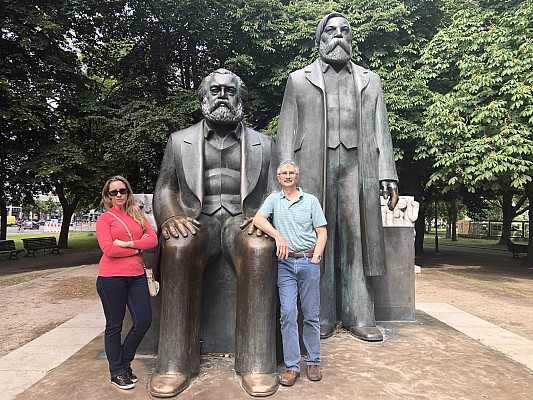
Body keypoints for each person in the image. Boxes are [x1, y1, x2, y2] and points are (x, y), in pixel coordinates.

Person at [150, 68, 279, 398]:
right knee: (178, 247)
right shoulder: (179, 141)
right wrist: (170, 218)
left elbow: (272, 191)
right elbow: (165, 188)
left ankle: (256, 363)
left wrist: (263, 219)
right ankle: (175, 364)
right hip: (199, 221)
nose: (223, 95)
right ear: (204, 97)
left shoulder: (264, 144)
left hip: (242, 221)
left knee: (260, 249)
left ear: (241, 98)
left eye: (230, 90)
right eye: (216, 90)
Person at [276, 12, 399, 342]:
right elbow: (286, 132)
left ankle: (360, 315)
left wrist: (388, 172)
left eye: (345, 31)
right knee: (319, 239)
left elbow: (381, 129)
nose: (338, 36)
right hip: (315, 166)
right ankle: (323, 315)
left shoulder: (370, 80)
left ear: (351, 39)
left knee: (358, 241)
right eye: (330, 31)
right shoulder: (298, 80)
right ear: (319, 41)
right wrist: (283, 179)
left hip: (359, 167)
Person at [253, 161, 327, 386]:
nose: (287, 176)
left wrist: (317, 258)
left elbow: (321, 232)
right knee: (287, 314)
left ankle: (313, 361)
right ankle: (292, 366)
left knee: (311, 315)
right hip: (285, 264)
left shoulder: (311, 201)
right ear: (278, 177)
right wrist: (278, 236)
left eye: (291, 173)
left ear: (297, 176)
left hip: (308, 261)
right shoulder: (274, 200)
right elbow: (258, 219)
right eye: (283, 173)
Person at [96, 175, 158, 390]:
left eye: (122, 191)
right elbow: (109, 250)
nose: (119, 195)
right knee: (114, 326)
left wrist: (128, 244)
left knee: (143, 322)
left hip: (137, 276)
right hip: (111, 278)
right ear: (108, 196)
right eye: (114, 192)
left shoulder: (137, 215)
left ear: (128, 192)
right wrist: (139, 248)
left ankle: (124, 362)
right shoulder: (105, 219)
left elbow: (153, 239)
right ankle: (117, 372)